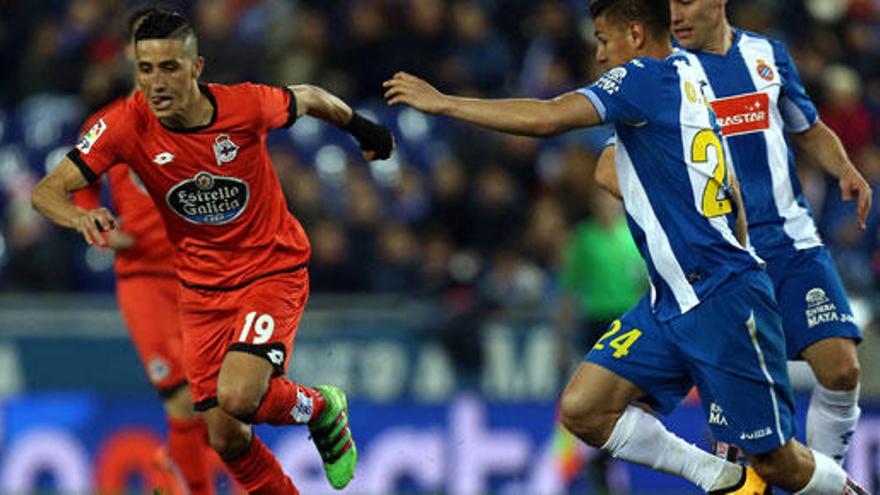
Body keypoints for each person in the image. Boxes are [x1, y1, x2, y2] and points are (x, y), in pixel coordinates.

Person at [383, 0, 868, 493]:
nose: (597, 55)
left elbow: (550, 116)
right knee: (583, 409)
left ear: (635, 35)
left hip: (720, 296)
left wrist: (445, 103)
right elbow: (733, 196)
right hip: (670, 300)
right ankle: (718, 474)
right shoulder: (690, 76)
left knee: (779, 464)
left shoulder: (641, 78)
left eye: (602, 39)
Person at [32, 9, 393, 495]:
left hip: (270, 268)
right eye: (145, 69)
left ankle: (323, 408)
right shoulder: (122, 125)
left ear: (196, 67)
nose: (155, 83)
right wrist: (79, 217)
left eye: (169, 68)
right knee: (224, 434)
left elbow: (308, 98)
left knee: (240, 396)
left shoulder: (243, 107)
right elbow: (47, 190)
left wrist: (363, 129)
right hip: (199, 289)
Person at [596, 0, 870, 466]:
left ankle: (824, 480)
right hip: (721, 262)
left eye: (686, 1)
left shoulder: (767, 54)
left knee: (841, 369)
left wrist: (844, 167)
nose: (676, 14)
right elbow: (608, 168)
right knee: (742, 434)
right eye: (669, 5)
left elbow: (808, 128)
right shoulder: (664, 75)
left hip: (790, 244)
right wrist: (681, 204)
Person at [71, 8, 215, 494]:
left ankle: (170, 462)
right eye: (142, 53)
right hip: (142, 280)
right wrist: (102, 230)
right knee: (180, 398)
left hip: (199, 274)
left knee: (218, 406)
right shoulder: (107, 124)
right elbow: (79, 192)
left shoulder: (200, 118)